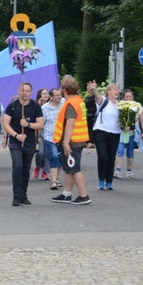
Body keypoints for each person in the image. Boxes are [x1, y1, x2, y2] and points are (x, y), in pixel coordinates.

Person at [1, 82, 44, 206]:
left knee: (26, 168)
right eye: (22, 90)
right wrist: (16, 135)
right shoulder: (12, 106)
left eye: (27, 91)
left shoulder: (35, 106)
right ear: (18, 91)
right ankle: (16, 195)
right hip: (15, 140)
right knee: (17, 165)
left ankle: (23, 194)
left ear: (31, 92)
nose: (24, 93)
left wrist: (28, 125)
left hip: (29, 141)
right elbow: (5, 123)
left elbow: (41, 123)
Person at [51, 75, 91, 205]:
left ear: (64, 89)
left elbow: (70, 124)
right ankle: (66, 194)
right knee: (68, 168)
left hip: (72, 142)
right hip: (77, 140)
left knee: (74, 169)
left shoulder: (71, 104)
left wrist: (66, 143)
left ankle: (84, 195)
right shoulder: (79, 100)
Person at [88, 81, 121, 190]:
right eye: (115, 89)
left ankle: (109, 181)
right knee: (103, 156)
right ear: (109, 91)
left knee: (111, 158)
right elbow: (97, 98)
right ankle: (101, 180)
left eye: (117, 90)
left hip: (115, 133)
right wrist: (94, 89)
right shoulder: (104, 101)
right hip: (101, 131)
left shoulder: (120, 105)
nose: (117, 91)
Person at [115, 89, 143, 179]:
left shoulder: (137, 106)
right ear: (123, 97)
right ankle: (117, 170)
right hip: (121, 133)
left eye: (130, 96)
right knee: (120, 151)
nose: (128, 98)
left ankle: (129, 171)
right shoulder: (119, 105)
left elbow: (142, 119)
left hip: (132, 133)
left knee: (130, 153)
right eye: (126, 97)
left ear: (133, 97)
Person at [41, 88, 63, 190]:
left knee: (60, 158)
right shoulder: (44, 108)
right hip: (50, 137)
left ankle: (56, 178)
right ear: (51, 97)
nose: (59, 97)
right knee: (54, 156)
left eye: (60, 95)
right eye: (57, 95)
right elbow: (41, 123)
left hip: (62, 137)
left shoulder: (64, 104)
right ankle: (54, 180)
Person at [33, 88, 51, 181]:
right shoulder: (36, 105)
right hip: (38, 132)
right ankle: (37, 166)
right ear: (39, 95)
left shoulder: (51, 106)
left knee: (47, 153)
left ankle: (45, 171)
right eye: (43, 93)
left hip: (48, 132)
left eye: (47, 93)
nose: (45, 95)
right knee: (40, 153)